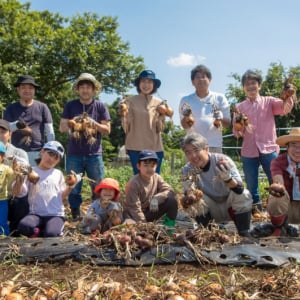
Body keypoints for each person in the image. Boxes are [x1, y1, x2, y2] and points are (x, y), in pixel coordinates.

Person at [232, 70, 295, 212]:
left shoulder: (270, 101)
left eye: (253, 83)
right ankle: (257, 212)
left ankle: (280, 210)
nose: (250, 87)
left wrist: (287, 94)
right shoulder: (239, 107)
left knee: (276, 181)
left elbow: (285, 108)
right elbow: (236, 133)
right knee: (251, 184)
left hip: (269, 148)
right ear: (243, 87)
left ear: (259, 85)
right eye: (247, 84)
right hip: (249, 151)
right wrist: (239, 125)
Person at [59, 73, 111, 221]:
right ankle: (75, 213)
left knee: (98, 186)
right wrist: (73, 121)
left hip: (94, 154)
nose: (85, 90)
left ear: (94, 90)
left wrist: (93, 123)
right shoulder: (70, 105)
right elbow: (62, 127)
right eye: (82, 87)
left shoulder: (100, 106)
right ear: (77, 89)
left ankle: (98, 212)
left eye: (88, 87)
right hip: (74, 153)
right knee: (74, 186)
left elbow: (107, 130)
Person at [180, 132, 253, 237]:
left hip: (231, 206)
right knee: (194, 201)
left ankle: (244, 232)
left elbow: (239, 189)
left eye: (196, 150)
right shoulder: (188, 169)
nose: (193, 156)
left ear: (206, 149)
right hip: (211, 209)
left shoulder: (222, 161)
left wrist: (228, 179)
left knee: (244, 194)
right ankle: (209, 233)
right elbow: (189, 194)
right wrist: (189, 193)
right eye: (188, 153)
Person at [15, 141, 82, 238]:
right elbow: (20, 192)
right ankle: (38, 231)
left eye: (56, 158)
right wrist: (20, 177)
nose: (51, 159)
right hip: (35, 214)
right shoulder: (30, 171)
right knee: (24, 227)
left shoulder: (57, 173)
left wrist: (71, 186)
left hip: (55, 214)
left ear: (58, 161)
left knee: (51, 234)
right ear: (42, 151)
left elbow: (61, 195)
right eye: (50, 154)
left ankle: (47, 230)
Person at [120, 70, 167, 174]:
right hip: (135, 147)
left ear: (154, 85)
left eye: (150, 82)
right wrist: (123, 114)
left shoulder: (159, 103)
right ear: (138, 84)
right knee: (138, 178)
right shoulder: (129, 101)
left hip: (155, 147)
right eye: (143, 81)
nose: (146, 85)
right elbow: (126, 126)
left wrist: (162, 115)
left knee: (154, 179)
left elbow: (161, 128)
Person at [4, 75, 55, 166]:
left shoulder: (42, 107)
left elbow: (49, 131)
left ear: (34, 90)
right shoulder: (11, 108)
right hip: (15, 153)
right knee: (16, 179)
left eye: (30, 88)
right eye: (23, 87)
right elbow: (5, 129)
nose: (27, 90)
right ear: (18, 90)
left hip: (37, 153)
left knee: (36, 179)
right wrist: (18, 125)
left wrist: (49, 151)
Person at [179, 65, 231, 153]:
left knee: (215, 167)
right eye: (197, 77)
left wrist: (220, 118)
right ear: (192, 82)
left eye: (204, 76)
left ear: (209, 80)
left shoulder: (220, 98)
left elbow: (227, 124)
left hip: (214, 145)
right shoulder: (186, 100)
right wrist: (186, 117)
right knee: (192, 167)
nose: (201, 79)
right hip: (193, 145)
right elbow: (184, 125)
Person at [123, 149, 178, 229]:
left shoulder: (156, 177)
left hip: (150, 210)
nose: (149, 169)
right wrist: (145, 226)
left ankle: (169, 229)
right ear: (138, 166)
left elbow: (170, 191)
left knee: (172, 202)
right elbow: (134, 208)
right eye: (145, 165)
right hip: (135, 216)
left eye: (152, 166)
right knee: (130, 227)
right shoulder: (134, 183)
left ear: (156, 166)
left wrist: (157, 198)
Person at [264, 128, 300, 236]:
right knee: (277, 194)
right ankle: (279, 227)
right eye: (294, 145)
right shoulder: (278, 162)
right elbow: (278, 181)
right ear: (287, 147)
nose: (298, 150)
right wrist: (278, 187)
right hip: (286, 208)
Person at [0, 119, 30, 234]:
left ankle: (16, 230)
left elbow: (26, 178)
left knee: (21, 201)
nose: (0, 135)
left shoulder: (19, 153)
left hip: (13, 196)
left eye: (3, 132)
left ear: (10, 134)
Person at [0, 141, 15, 235]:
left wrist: (15, 167)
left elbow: (13, 178)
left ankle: (4, 237)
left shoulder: (6, 168)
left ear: (3, 156)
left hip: (2, 200)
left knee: (2, 221)